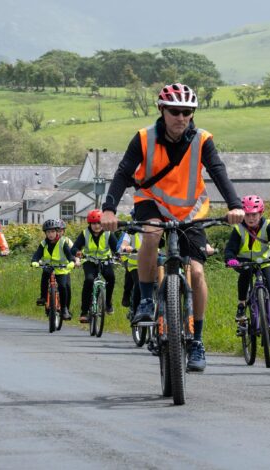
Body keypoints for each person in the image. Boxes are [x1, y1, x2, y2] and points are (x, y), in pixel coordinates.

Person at [98, 82, 245, 372]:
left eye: (188, 112)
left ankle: (197, 341)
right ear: (161, 110)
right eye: (175, 111)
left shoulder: (202, 139)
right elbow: (122, 173)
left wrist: (235, 205)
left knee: (199, 271)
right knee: (151, 234)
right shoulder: (143, 138)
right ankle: (147, 299)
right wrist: (108, 210)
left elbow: (218, 171)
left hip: (190, 209)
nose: (181, 118)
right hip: (151, 201)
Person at [224, 195, 270, 346]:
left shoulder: (268, 225)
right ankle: (241, 305)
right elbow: (230, 249)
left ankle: (268, 328)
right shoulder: (238, 228)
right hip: (244, 262)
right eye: (247, 214)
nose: (251, 218)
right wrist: (230, 259)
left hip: (264, 262)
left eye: (254, 214)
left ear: (261, 213)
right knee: (246, 273)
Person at [71, 209, 119, 323]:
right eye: (94, 223)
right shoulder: (84, 233)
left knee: (111, 277)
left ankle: (108, 304)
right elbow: (73, 248)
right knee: (89, 280)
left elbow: (116, 248)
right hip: (90, 262)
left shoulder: (108, 233)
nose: (96, 226)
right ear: (90, 224)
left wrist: (119, 255)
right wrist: (77, 252)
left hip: (105, 261)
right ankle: (84, 312)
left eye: (99, 223)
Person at [31, 219, 76, 320]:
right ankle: (43, 297)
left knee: (63, 287)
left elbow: (69, 254)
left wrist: (72, 262)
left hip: (62, 268)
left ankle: (64, 309)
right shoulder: (43, 243)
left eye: (52, 232)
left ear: (57, 232)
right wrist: (34, 261)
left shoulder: (63, 242)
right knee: (44, 277)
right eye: (48, 232)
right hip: (49, 267)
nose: (50, 234)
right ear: (45, 233)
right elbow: (37, 254)